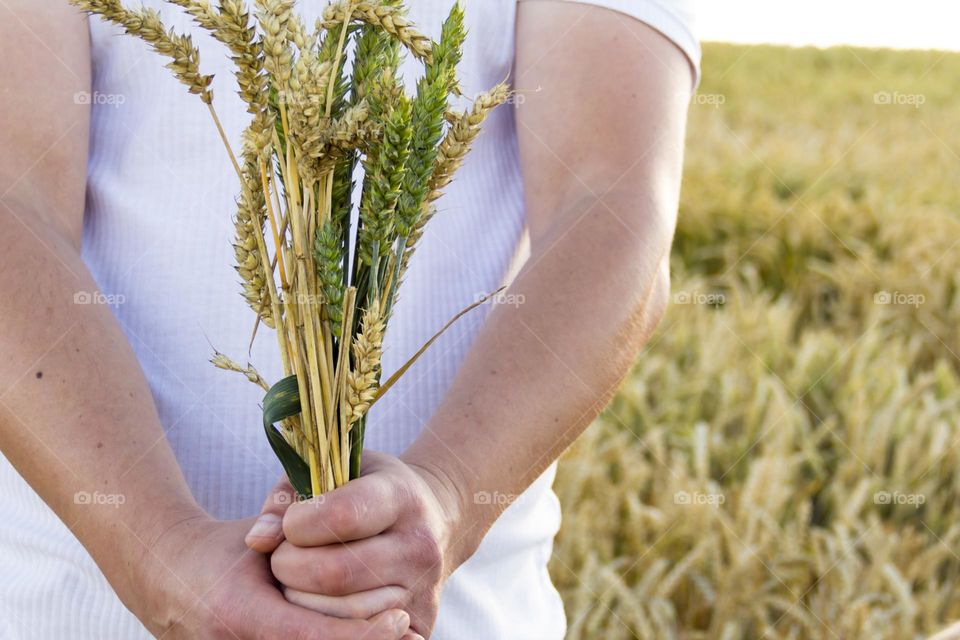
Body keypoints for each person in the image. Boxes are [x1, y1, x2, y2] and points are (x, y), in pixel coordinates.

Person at [0, 0, 698, 637]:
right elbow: (10, 202)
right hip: (77, 609)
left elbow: (613, 203)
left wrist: (451, 495)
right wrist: (154, 549)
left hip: (450, 615)